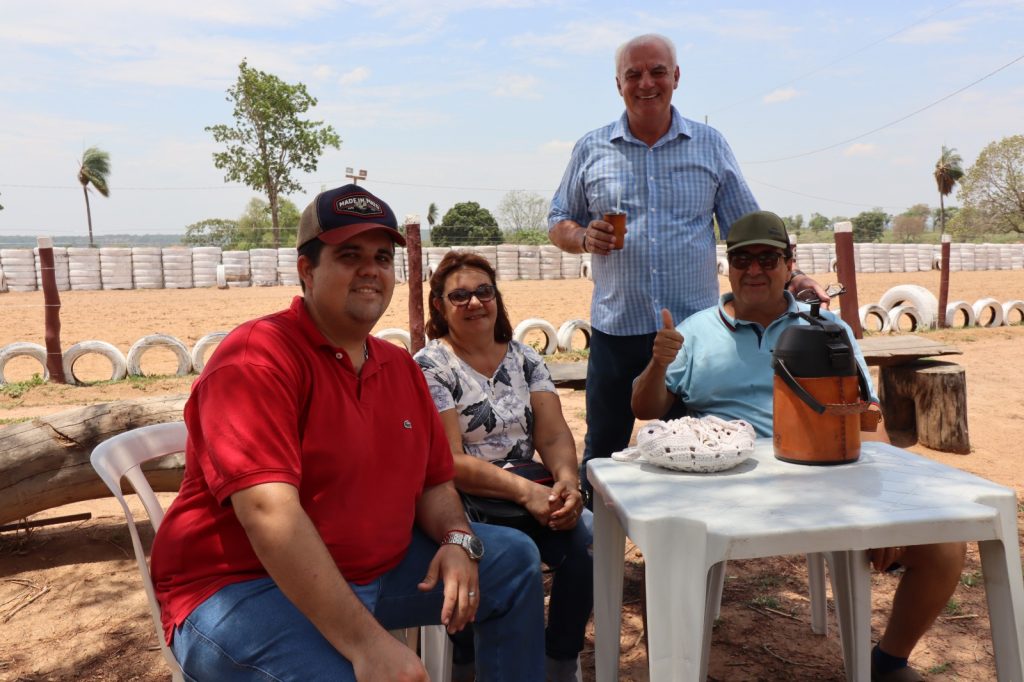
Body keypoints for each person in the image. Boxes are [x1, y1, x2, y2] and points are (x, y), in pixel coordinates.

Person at [150, 185, 546, 682]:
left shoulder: (400, 367)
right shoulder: (257, 359)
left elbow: (433, 481)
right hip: (243, 586)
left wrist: (457, 537)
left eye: (382, 257)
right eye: (349, 254)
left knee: (513, 561)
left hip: (374, 571)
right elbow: (269, 514)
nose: (370, 270)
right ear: (306, 270)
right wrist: (368, 645)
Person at [631, 210, 966, 682]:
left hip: (822, 478)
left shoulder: (829, 331)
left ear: (790, 264)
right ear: (727, 266)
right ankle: (672, 668)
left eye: (767, 258)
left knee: (945, 545)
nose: (754, 270)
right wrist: (657, 363)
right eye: (742, 258)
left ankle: (888, 662)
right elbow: (647, 407)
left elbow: (867, 419)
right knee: (665, 552)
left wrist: (889, 508)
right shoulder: (697, 330)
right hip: (724, 487)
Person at [547, 33, 826, 503]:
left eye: (657, 71)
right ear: (618, 84)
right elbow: (558, 220)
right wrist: (582, 237)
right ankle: (599, 564)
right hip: (617, 328)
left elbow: (744, 225)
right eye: (633, 74)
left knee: (693, 451)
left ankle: (683, 554)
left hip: (694, 336)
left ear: (676, 77)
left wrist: (793, 276)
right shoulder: (591, 148)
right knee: (603, 452)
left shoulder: (710, 144)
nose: (646, 83)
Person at [414, 250, 591, 682]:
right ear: (438, 305)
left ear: (496, 297)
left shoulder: (524, 358)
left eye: (483, 291)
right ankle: (468, 657)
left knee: (587, 541)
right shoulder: (430, 366)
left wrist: (567, 481)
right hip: (465, 501)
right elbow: (449, 462)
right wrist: (527, 494)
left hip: (530, 486)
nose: (474, 302)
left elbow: (552, 434)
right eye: (459, 296)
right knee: (510, 558)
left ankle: (559, 661)